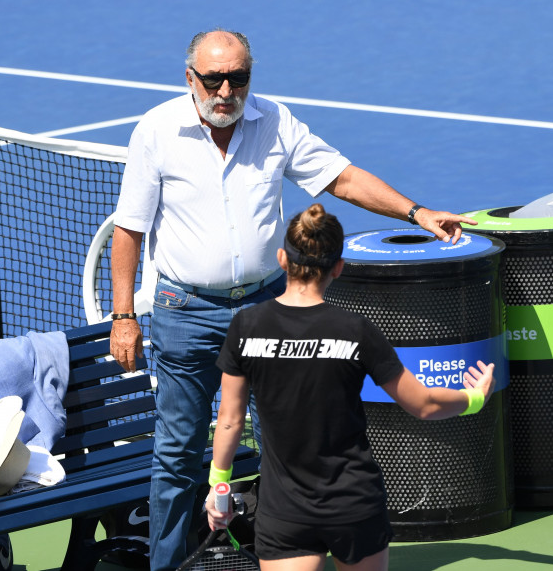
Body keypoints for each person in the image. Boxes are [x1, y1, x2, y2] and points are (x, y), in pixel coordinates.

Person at [109, 28, 478, 571]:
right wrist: (123, 315)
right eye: (213, 79)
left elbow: (342, 178)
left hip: (264, 310)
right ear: (191, 79)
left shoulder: (276, 122)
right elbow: (129, 230)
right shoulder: (156, 132)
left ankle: (280, 555)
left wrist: (416, 213)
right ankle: (168, 566)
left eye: (239, 77)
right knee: (177, 456)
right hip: (185, 314)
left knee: (289, 440)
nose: (226, 90)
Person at [205, 204, 496, 571]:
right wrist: (474, 398)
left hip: (285, 511)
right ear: (338, 268)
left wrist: (220, 487)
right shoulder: (356, 330)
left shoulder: (246, 326)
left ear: (282, 259)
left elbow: (230, 419)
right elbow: (423, 404)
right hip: (354, 505)